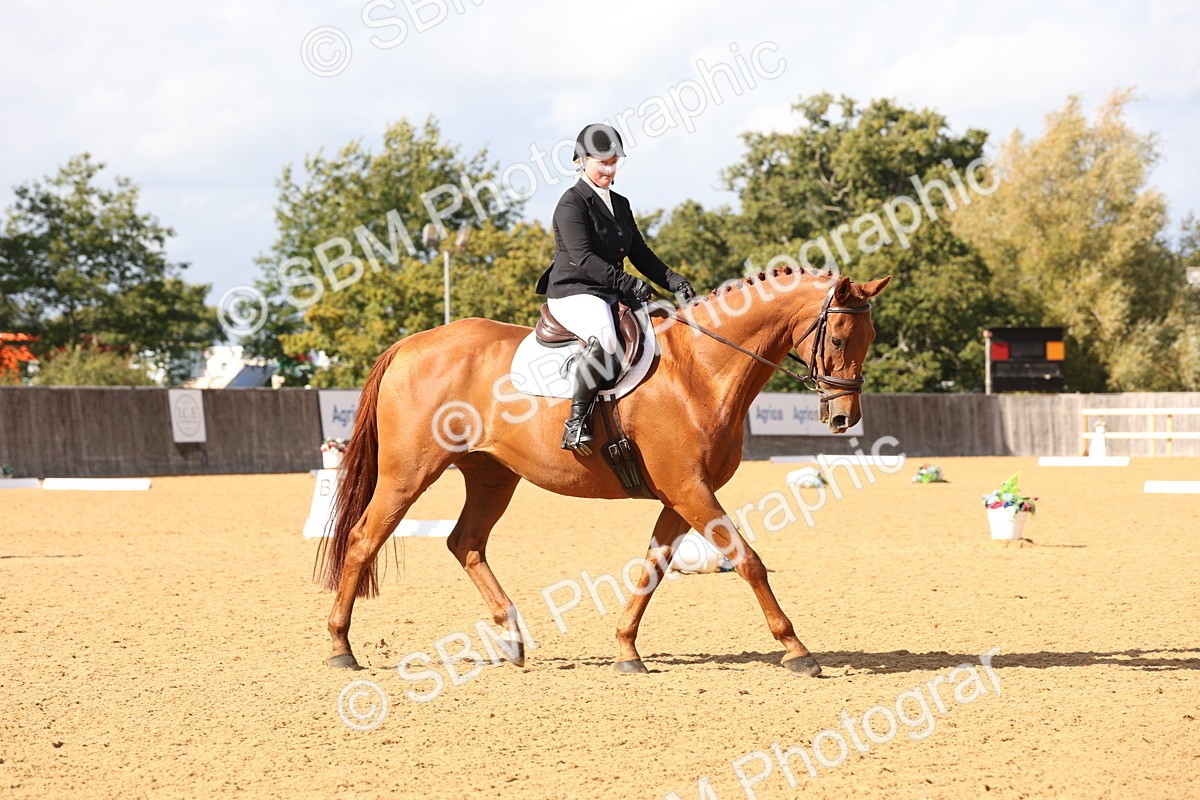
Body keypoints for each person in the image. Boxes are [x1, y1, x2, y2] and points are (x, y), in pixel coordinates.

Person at [535, 122, 696, 454]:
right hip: (574, 290)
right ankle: (576, 423)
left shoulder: (620, 203)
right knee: (606, 336)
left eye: (613, 161)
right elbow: (583, 258)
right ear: (583, 161)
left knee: (664, 324)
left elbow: (640, 254)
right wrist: (628, 283)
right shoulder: (572, 203)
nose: (609, 168)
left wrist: (674, 280)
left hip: (610, 291)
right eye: (602, 162)